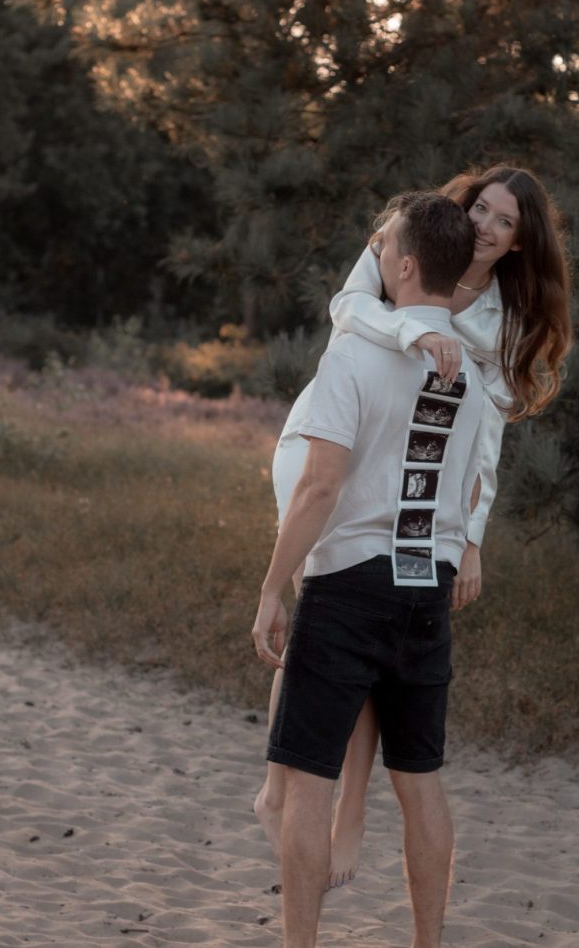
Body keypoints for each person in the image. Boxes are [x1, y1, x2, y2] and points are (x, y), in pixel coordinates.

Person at [255, 164, 572, 888]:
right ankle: (278, 792)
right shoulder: (410, 239)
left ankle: (351, 815)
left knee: (371, 636)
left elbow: (485, 436)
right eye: (482, 209)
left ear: (521, 243)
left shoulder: (502, 313)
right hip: (330, 437)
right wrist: (411, 332)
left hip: (423, 477)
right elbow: (345, 309)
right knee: (323, 611)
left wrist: (472, 536)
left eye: (505, 223)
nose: (485, 227)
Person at [252, 190, 483, 948]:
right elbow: (472, 486)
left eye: (385, 247)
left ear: (407, 265)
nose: (375, 254)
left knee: (307, 785)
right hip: (428, 589)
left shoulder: (354, 353)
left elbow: (321, 486)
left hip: (348, 584)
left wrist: (270, 587)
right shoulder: (473, 379)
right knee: (421, 785)